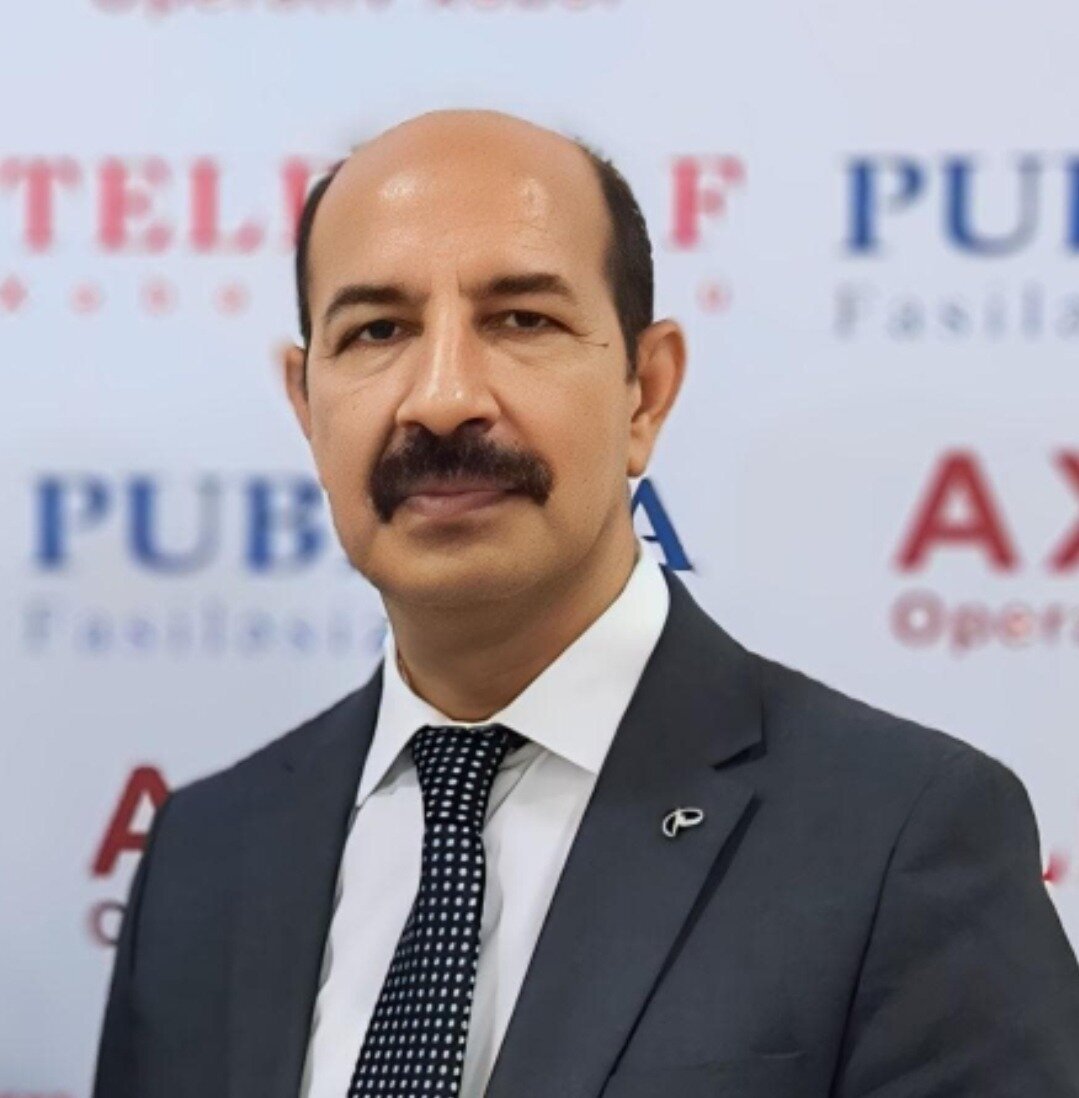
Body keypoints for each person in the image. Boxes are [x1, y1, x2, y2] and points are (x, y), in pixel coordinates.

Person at [91, 109, 1079, 1098]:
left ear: (644, 391)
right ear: (308, 407)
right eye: (377, 331)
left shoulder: (899, 839)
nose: (442, 397)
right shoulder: (202, 857)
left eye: (520, 320)